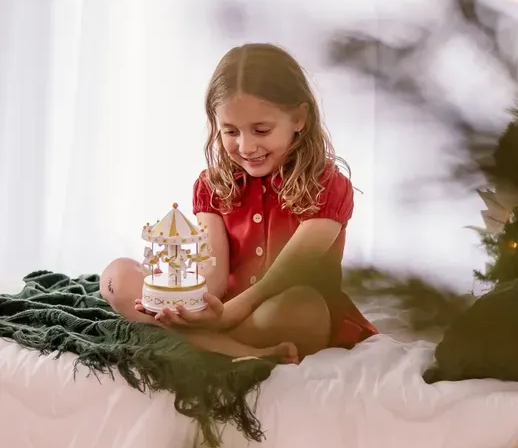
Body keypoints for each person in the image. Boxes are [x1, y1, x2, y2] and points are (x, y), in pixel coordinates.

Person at [100, 43, 377, 363]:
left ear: (299, 118)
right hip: (228, 314)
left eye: (261, 130)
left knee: (302, 308)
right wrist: (184, 305)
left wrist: (231, 314)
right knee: (116, 277)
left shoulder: (328, 184)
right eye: (230, 131)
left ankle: (198, 342)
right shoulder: (212, 185)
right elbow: (214, 276)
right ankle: (243, 351)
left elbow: (293, 270)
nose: (246, 146)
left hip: (279, 311)